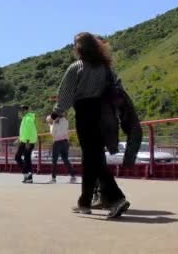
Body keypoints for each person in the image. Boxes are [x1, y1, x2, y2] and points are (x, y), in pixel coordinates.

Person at [49, 32, 130, 218]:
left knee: (93, 158)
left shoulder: (77, 67)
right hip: (104, 114)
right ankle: (85, 201)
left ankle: (116, 198)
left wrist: (54, 114)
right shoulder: (105, 68)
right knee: (92, 157)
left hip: (85, 114)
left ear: (78, 48)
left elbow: (65, 96)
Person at [46, 114, 77, 184]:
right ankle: (73, 176)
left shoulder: (54, 124)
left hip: (57, 142)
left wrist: (51, 125)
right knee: (65, 160)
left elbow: (53, 134)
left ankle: (53, 178)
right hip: (65, 142)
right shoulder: (65, 121)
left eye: (49, 121)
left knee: (54, 161)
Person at [15, 105, 38, 183]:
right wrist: (19, 138)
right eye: (21, 110)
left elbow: (30, 131)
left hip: (28, 141)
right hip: (24, 140)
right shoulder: (25, 118)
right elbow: (24, 130)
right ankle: (27, 174)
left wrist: (27, 142)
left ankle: (28, 176)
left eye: (23, 110)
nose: (21, 112)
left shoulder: (28, 118)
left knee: (26, 158)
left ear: (26, 110)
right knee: (19, 157)